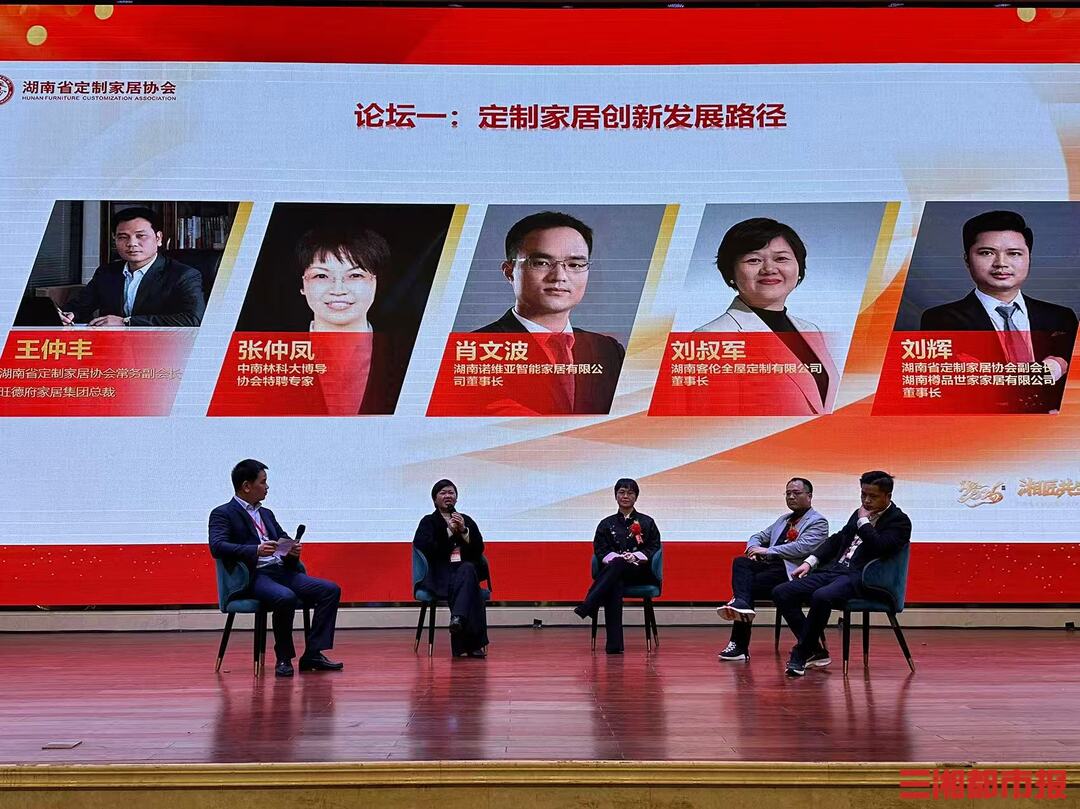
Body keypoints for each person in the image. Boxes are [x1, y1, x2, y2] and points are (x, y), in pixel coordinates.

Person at [920, 210, 1078, 409]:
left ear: (1029, 258)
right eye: (986, 253)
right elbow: (965, 387)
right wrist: (1054, 367)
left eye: (1014, 253)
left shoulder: (1061, 317)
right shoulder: (940, 320)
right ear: (967, 259)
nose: (1001, 264)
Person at [473, 211, 626, 414]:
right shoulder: (474, 351)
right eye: (541, 263)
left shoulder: (608, 351)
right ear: (509, 272)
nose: (559, 276)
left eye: (575, 264)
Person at [208, 459, 343, 677]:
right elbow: (217, 546)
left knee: (330, 590)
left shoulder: (266, 514)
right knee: (285, 597)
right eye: (263, 482)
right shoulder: (223, 513)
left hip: (280, 571)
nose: (267, 487)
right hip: (254, 575)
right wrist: (255, 550)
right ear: (246, 486)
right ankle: (284, 658)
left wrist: (291, 549)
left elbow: (282, 539)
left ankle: (313, 654)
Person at [772, 471, 911, 677]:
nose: (866, 500)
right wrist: (810, 561)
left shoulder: (899, 522)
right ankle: (814, 649)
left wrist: (863, 523)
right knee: (782, 592)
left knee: (822, 596)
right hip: (837, 570)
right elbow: (838, 539)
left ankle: (800, 653)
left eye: (873, 496)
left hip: (864, 578)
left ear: (888, 496)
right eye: (863, 494)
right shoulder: (859, 513)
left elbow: (880, 547)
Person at [694, 217, 838, 414]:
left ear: (799, 268)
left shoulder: (811, 330)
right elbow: (712, 422)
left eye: (781, 259)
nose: (769, 269)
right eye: (753, 260)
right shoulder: (711, 338)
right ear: (731, 271)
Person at [295, 224, 408, 414]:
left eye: (355, 275)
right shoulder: (271, 356)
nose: (338, 290)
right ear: (302, 285)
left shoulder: (411, 355)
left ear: (376, 282)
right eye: (321, 276)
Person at [716, 478, 828, 662]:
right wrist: (753, 548)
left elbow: (802, 547)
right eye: (788, 493)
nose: (791, 497)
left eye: (796, 493)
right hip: (771, 571)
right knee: (741, 563)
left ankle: (739, 645)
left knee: (746, 589)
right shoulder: (783, 520)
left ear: (809, 496)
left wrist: (767, 551)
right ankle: (741, 607)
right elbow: (758, 536)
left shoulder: (818, 521)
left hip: (793, 573)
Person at [59, 206, 205, 327]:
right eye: (123, 237)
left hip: (161, 347)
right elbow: (81, 306)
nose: (131, 243)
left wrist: (126, 322)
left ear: (158, 238)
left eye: (140, 236)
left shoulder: (183, 275)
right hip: (113, 345)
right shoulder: (107, 272)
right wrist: (69, 315)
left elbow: (192, 319)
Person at [574, 478, 662, 654]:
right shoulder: (606, 524)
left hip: (639, 571)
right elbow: (600, 549)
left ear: (636, 497)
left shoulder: (647, 522)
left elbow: (654, 547)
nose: (625, 496)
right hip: (614, 573)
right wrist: (617, 558)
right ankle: (614, 645)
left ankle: (589, 603)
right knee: (615, 581)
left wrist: (635, 556)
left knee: (617, 569)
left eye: (630, 493)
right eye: (622, 492)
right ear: (616, 496)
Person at [412, 479, 489, 658]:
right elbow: (427, 549)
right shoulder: (428, 522)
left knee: (467, 569)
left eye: (451, 492)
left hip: (464, 573)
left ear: (456, 498)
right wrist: (448, 532)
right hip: (440, 575)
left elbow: (478, 549)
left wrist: (464, 531)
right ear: (435, 499)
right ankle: (471, 644)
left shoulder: (466, 520)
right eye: (443, 493)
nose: (448, 496)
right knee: (469, 583)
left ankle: (458, 619)